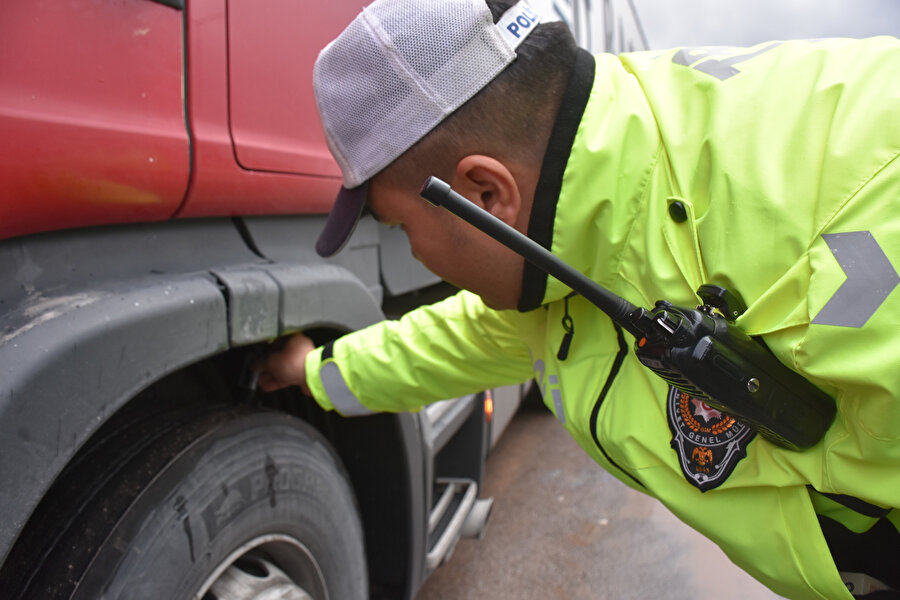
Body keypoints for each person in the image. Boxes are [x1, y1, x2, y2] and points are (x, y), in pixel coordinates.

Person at [257, 0, 900, 597]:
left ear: (484, 194)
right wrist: (311, 372)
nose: (416, 255)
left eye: (400, 228)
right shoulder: (554, 271)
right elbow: (448, 341)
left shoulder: (862, 187)